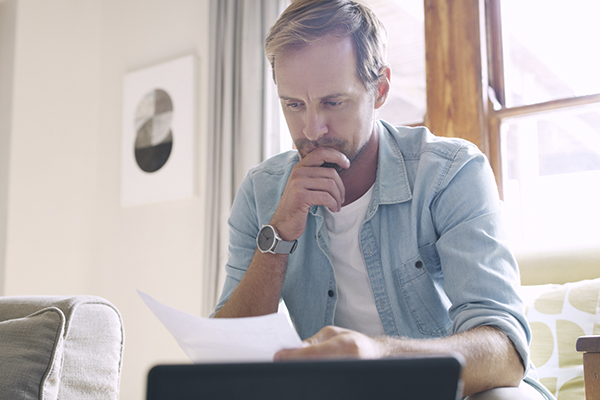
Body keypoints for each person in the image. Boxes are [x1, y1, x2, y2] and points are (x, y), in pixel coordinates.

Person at [212, 1, 553, 399]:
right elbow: (226, 353)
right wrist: (280, 234)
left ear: (381, 89)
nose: (311, 129)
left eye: (333, 102)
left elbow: (505, 353)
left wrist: (380, 356)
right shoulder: (262, 192)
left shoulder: (451, 173)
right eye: (294, 105)